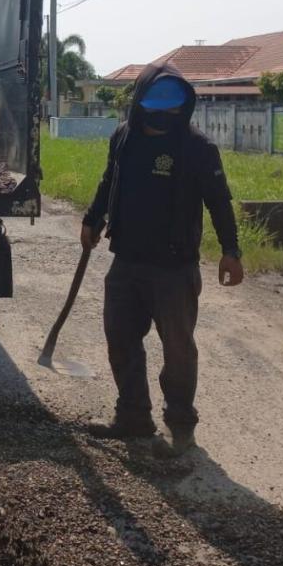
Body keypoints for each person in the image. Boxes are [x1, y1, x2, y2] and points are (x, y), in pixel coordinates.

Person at [81, 63, 245, 458]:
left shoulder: (198, 148)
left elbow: (219, 202)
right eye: (158, 104)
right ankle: (133, 417)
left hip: (175, 269)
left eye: (174, 107)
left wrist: (231, 251)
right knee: (120, 340)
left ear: (184, 107)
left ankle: (181, 426)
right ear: (140, 101)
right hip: (127, 262)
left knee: (177, 349)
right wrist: (91, 218)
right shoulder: (123, 137)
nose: (166, 114)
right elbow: (109, 181)